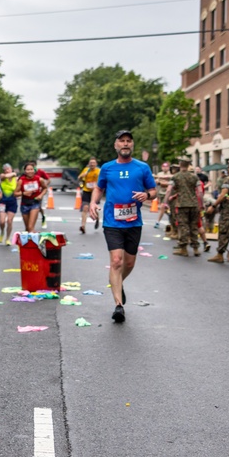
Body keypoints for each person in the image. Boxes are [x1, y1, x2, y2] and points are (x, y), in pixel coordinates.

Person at [88, 130, 157, 324]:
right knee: (116, 261)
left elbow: (153, 191)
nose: (125, 144)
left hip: (134, 222)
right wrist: (93, 203)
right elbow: (99, 188)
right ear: (116, 146)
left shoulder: (142, 168)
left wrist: (147, 196)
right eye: (122, 141)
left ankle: (117, 283)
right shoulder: (107, 168)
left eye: (129, 141)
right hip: (112, 222)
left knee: (128, 264)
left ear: (132, 145)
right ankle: (119, 305)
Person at [168, 156, 201, 256]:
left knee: (183, 226)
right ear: (188, 165)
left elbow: (169, 190)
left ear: (180, 164)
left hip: (182, 204)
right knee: (194, 226)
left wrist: (165, 202)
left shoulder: (176, 177)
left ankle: (183, 248)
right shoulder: (194, 177)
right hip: (194, 204)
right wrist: (201, 205)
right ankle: (196, 248)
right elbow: (199, 192)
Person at [15, 161, 49, 233]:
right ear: (25, 171)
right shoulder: (21, 180)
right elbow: (15, 193)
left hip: (35, 203)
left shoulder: (39, 179)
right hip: (24, 204)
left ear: (34, 170)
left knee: (31, 227)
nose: (30, 171)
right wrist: (24, 193)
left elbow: (45, 188)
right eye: (28, 169)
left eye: (31, 169)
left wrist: (40, 195)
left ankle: (34, 242)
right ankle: (30, 242)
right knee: (27, 228)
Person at [77, 157, 100, 233]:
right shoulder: (86, 170)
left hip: (95, 192)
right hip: (86, 191)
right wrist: (81, 176)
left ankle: (97, 218)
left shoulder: (99, 171)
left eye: (93, 163)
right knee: (85, 208)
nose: (92, 164)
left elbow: (103, 181)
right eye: (91, 163)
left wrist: (97, 186)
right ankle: (83, 226)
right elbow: (79, 178)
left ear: (96, 164)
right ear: (89, 164)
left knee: (94, 209)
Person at [0, 163, 18, 244]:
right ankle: (2, 232)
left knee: (9, 221)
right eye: (5, 169)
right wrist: (13, 173)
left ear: (11, 168)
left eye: (8, 169)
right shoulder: (2, 176)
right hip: (2, 202)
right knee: (2, 221)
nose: (6, 170)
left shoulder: (15, 179)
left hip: (12, 201)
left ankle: (7, 238)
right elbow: (3, 176)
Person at [153, 162, 172, 229]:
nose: (165, 168)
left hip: (169, 194)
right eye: (164, 167)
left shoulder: (171, 174)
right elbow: (156, 181)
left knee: (163, 207)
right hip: (161, 193)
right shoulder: (159, 174)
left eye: (166, 167)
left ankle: (158, 221)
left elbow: (171, 182)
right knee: (164, 208)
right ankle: (170, 216)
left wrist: (163, 182)